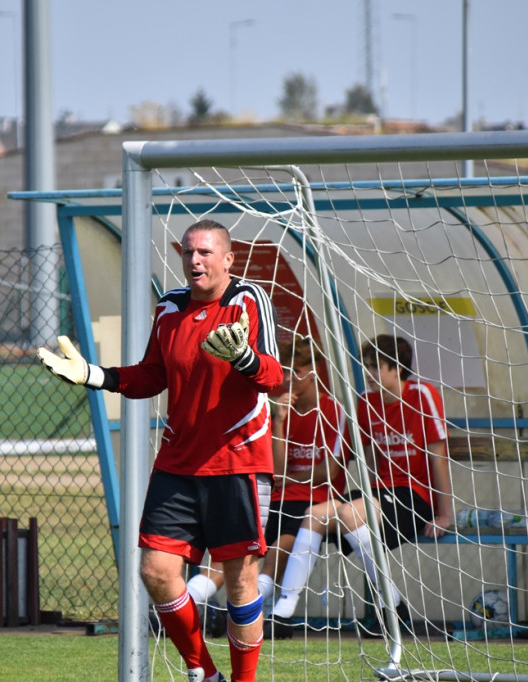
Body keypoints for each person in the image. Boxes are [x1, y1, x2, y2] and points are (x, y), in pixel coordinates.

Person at [39, 219, 283, 682]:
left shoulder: (248, 301)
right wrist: (95, 375)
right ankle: (203, 673)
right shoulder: (169, 307)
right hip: (178, 465)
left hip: (238, 463)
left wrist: (244, 359)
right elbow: (152, 376)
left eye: (206, 252)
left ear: (228, 259)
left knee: (240, 584)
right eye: (188, 252)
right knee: (155, 571)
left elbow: (273, 378)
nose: (195, 260)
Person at [269, 334, 453, 636]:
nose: (368, 374)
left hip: (416, 496)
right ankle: (283, 611)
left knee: (350, 514)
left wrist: (444, 513)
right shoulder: (366, 403)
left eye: (375, 367)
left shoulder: (423, 395)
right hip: (381, 494)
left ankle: (391, 605)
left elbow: (438, 457)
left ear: (396, 369)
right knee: (315, 514)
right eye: (366, 367)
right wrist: (371, 495)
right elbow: (368, 458)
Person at [185, 337, 350, 630]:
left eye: (295, 372)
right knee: (234, 549)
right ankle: (185, 604)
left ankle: (243, 615)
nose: (287, 379)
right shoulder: (276, 408)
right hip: (273, 498)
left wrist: (287, 480)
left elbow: (329, 472)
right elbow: (277, 469)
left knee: (278, 550)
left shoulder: (333, 410)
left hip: (312, 502)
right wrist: (280, 421)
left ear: (314, 371)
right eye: (284, 371)